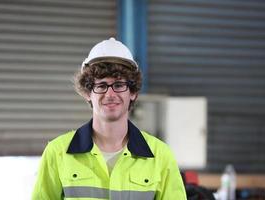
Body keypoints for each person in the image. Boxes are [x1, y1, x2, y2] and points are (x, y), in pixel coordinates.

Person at [32, 37, 187, 200]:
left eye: (119, 85)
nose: (110, 94)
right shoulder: (57, 153)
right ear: (87, 93)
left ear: (133, 92)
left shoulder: (160, 156)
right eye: (101, 86)